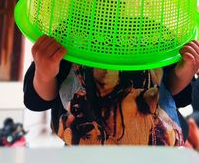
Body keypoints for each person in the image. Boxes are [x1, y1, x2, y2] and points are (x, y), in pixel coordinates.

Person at [24, 35, 199, 146]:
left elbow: (175, 93)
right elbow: (40, 99)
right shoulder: (69, 32)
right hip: (83, 158)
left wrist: (185, 71)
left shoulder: (160, 35)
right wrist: (45, 73)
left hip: (153, 158)